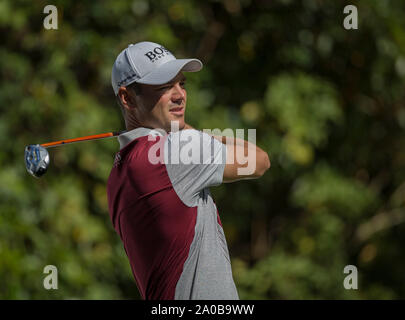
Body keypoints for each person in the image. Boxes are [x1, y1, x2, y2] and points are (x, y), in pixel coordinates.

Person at [107, 41, 270, 300]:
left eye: (181, 84)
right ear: (127, 98)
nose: (179, 95)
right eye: (163, 86)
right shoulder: (173, 151)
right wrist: (184, 130)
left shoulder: (117, 174)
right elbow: (259, 160)